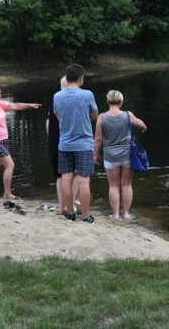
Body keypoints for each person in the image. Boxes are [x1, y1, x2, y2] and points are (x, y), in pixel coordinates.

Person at [0, 85, 41, 198]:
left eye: (0, 93)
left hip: (2, 140)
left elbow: (14, 106)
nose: (0, 96)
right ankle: (7, 193)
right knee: (10, 165)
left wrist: (29, 105)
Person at [53, 64, 99, 223]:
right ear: (81, 78)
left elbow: (58, 117)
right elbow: (94, 115)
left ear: (67, 78)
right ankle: (85, 215)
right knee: (83, 180)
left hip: (64, 142)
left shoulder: (57, 96)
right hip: (84, 143)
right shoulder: (87, 95)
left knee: (66, 178)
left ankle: (70, 211)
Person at [93, 90, 147, 221]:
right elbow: (140, 124)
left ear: (107, 101)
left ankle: (116, 215)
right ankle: (126, 214)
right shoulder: (128, 115)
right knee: (127, 185)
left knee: (113, 185)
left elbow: (98, 139)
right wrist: (143, 127)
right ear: (121, 101)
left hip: (110, 156)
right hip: (127, 155)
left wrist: (96, 154)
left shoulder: (101, 117)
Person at [46, 76, 79, 214]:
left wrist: (50, 139)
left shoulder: (55, 100)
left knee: (59, 176)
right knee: (74, 174)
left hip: (54, 142)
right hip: (68, 142)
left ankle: (62, 207)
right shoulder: (73, 101)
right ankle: (70, 205)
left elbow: (48, 122)